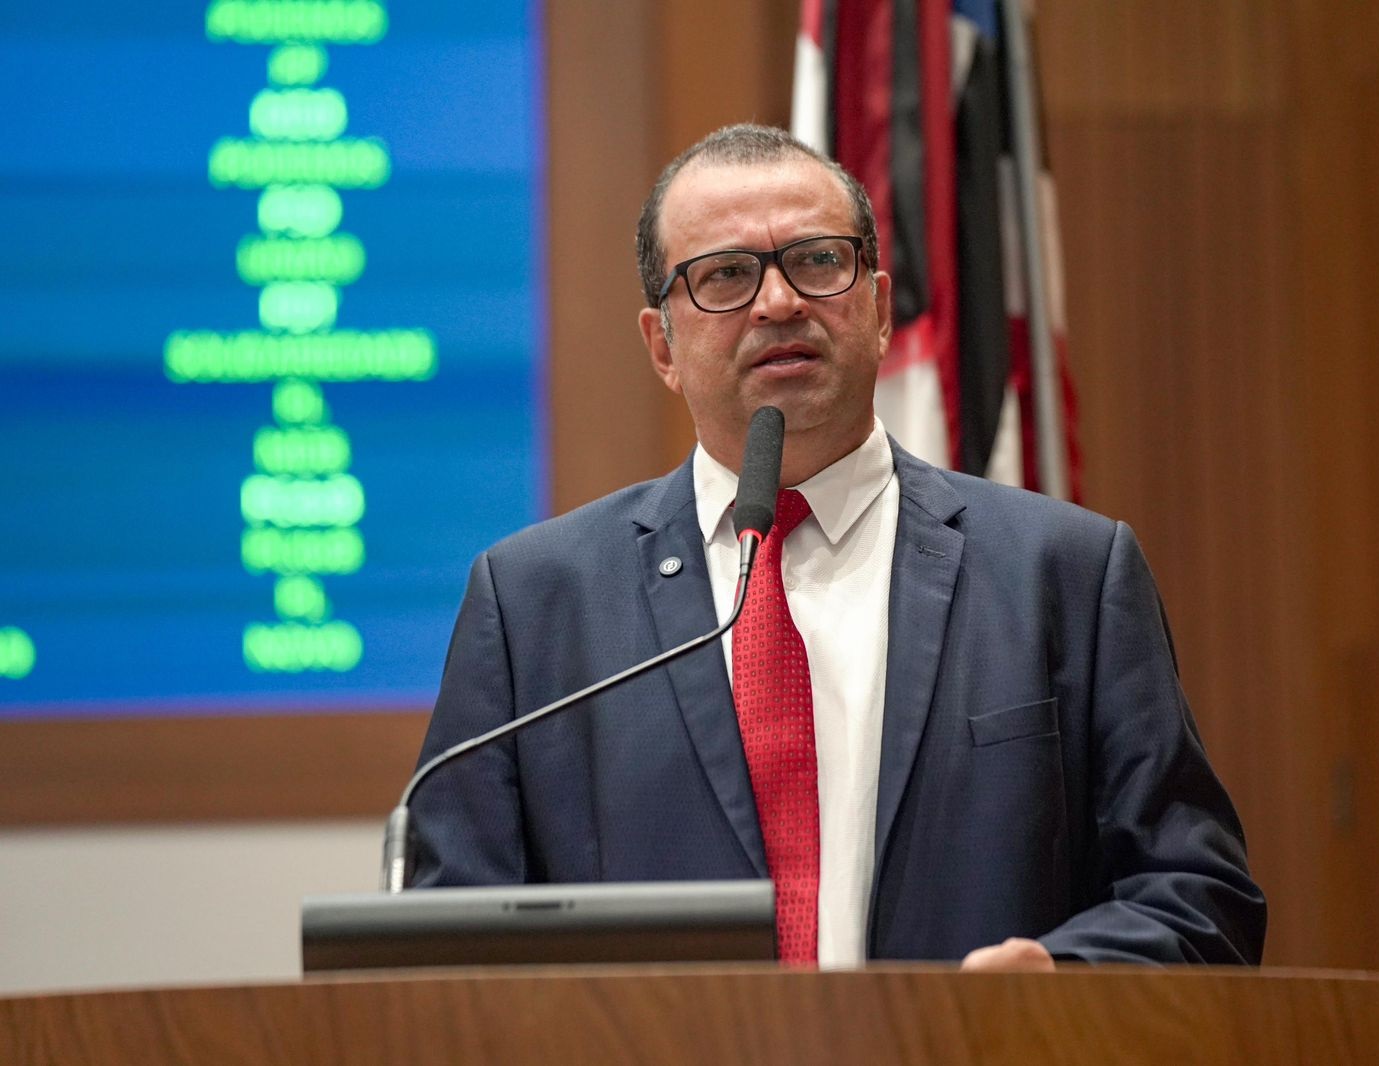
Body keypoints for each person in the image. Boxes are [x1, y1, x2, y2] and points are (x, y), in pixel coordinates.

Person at [411, 124, 1266, 970]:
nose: (779, 302)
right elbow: (445, 950)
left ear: (880, 309)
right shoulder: (534, 604)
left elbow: (1198, 898)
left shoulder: (1064, 573)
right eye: (726, 275)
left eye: (818, 261)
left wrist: (1057, 982)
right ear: (662, 345)